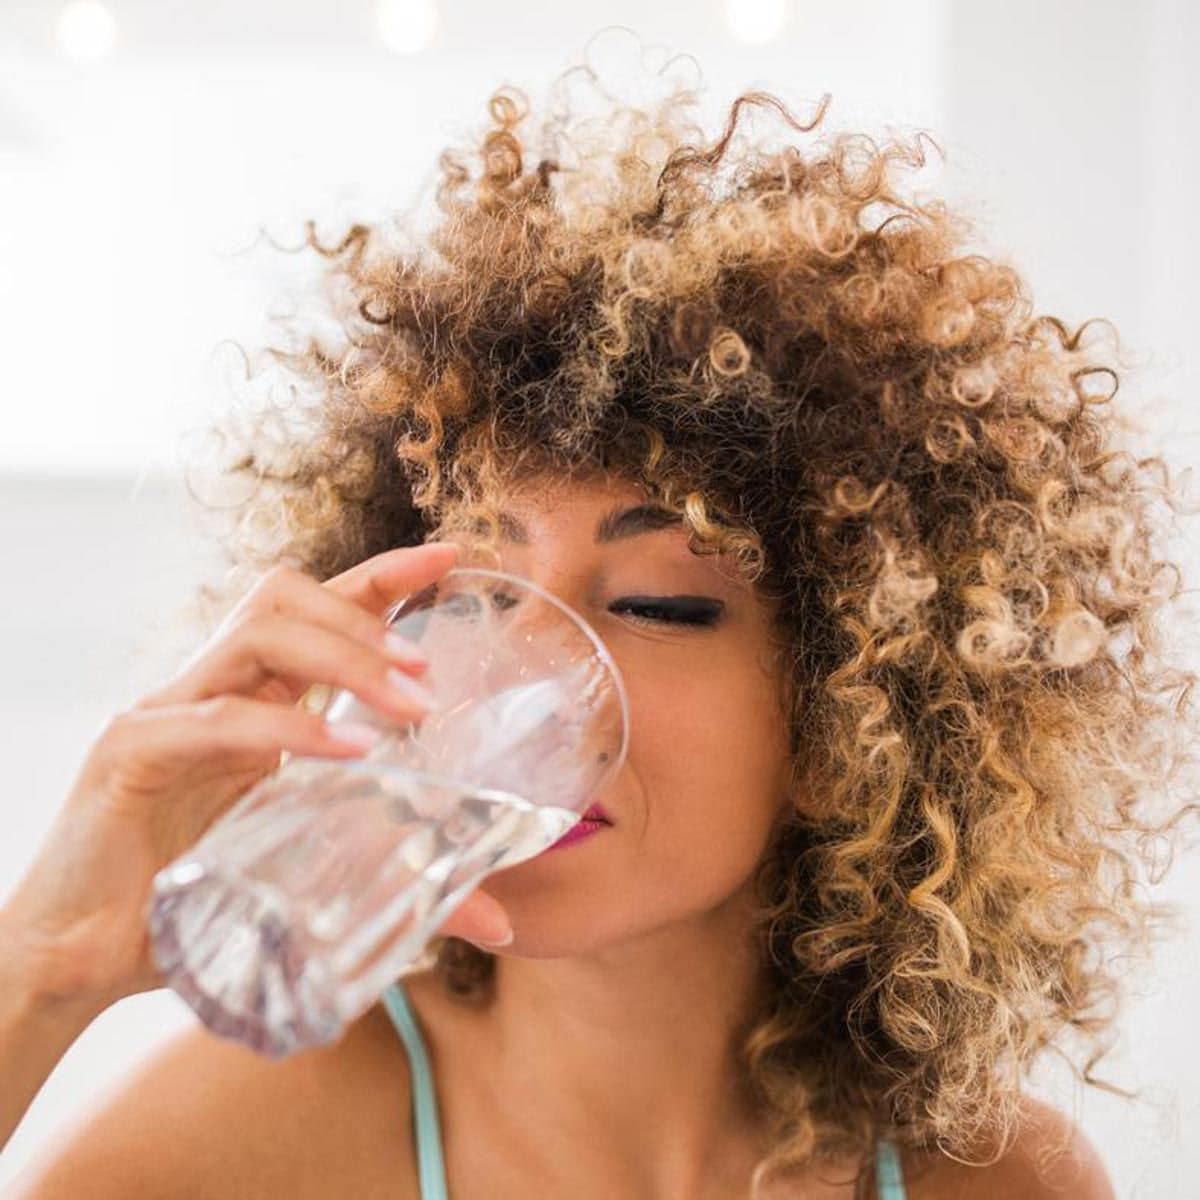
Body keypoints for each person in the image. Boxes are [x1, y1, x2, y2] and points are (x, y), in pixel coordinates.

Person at [3, 59, 1193, 1200]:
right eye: (476, 593)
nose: (522, 677)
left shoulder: (993, 1183)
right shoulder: (245, 1146)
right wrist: (41, 969)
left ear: (850, 728)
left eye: (658, 605)